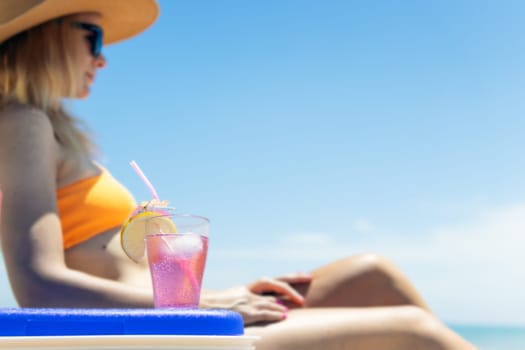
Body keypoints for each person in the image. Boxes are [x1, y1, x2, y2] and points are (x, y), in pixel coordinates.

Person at [0, 1, 477, 349]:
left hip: (177, 314)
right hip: (162, 331)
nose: (102, 59)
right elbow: (38, 285)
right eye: (94, 38)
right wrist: (206, 306)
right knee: (415, 329)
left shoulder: (49, 128)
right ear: (48, 33)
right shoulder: (22, 122)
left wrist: (221, 296)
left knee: (373, 275)